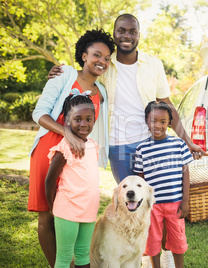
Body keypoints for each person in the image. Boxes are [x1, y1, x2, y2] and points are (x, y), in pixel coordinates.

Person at [48, 13, 206, 184]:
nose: (127, 36)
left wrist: (188, 141)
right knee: (130, 197)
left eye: (132, 32)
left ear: (138, 35)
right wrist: (60, 73)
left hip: (150, 143)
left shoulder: (153, 64)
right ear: (114, 34)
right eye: (121, 31)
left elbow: (167, 104)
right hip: (118, 147)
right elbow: (82, 77)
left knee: (154, 197)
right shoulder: (104, 63)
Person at [29, 29, 114, 267]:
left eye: (107, 58)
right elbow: (39, 114)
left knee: (69, 211)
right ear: (84, 55)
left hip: (77, 159)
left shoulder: (103, 92)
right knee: (47, 214)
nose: (102, 61)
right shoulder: (65, 74)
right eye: (97, 54)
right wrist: (67, 133)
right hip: (49, 148)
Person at [134, 101, 192, 268]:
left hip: (175, 204)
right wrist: (143, 205)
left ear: (169, 123)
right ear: (146, 121)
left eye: (163, 122)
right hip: (153, 205)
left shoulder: (179, 145)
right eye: (153, 121)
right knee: (152, 240)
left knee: (178, 239)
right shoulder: (142, 149)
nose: (157, 125)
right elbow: (140, 180)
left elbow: (186, 173)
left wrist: (186, 201)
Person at [45, 93, 100, 268]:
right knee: (64, 257)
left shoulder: (92, 144)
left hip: (89, 210)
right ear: (67, 121)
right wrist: (52, 206)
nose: (84, 124)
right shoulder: (64, 147)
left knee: (84, 254)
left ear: (93, 120)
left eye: (88, 119)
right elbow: (49, 180)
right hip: (67, 210)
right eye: (78, 119)